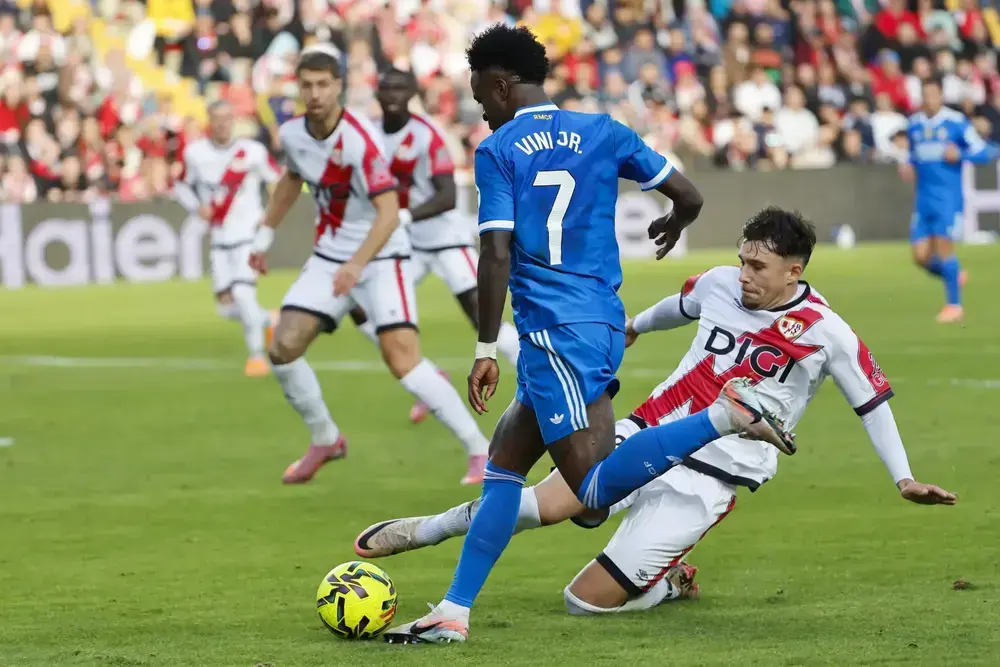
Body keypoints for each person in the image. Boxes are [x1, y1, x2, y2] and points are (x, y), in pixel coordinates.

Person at [383, 25, 794, 645]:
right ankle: (452, 611)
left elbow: (495, 253)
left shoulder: (499, 151)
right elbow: (689, 195)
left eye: (481, 97)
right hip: (600, 322)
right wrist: (673, 222)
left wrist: (485, 347)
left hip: (555, 333)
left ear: (501, 85)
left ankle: (723, 416)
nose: (482, 111)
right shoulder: (603, 130)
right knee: (504, 465)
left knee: (594, 497)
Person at [358, 207, 958, 616]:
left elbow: (872, 403)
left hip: (713, 477)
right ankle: (429, 529)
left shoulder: (827, 333)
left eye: (758, 268)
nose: (744, 275)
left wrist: (903, 477)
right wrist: (636, 326)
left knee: (583, 603)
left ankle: (668, 581)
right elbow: (680, 304)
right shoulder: (721, 284)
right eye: (743, 261)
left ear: (794, 272)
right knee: (547, 504)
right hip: (646, 430)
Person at [247, 45, 491, 486]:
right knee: (282, 348)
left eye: (323, 85)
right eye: (307, 85)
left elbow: (389, 212)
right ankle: (326, 439)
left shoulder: (361, 139)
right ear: (298, 88)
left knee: (403, 361)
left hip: (381, 256)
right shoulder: (294, 135)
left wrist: (357, 265)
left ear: (338, 86)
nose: (315, 94)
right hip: (331, 256)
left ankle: (480, 449)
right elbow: (291, 179)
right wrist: (264, 236)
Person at [349, 68, 521, 425]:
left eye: (400, 88)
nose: (393, 95)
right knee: (361, 308)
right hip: (405, 244)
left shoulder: (427, 134)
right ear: (377, 94)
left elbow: (447, 196)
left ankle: (534, 369)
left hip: (444, 240)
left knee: (480, 317)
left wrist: (403, 216)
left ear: (411, 93)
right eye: (386, 88)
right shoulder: (370, 133)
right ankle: (428, 379)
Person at [174, 101, 279, 377]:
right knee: (226, 308)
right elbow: (181, 185)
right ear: (209, 120)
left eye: (226, 118)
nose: (222, 124)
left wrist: (269, 216)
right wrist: (197, 206)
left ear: (233, 120)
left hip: (248, 236)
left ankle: (257, 357)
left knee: (244, 294)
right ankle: (269, 319)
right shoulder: (195, 153)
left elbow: (277, 181)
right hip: (219, 239)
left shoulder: (252, 151)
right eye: (216, 118)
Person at [899, 76, 996, 323]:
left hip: (947, 200)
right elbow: (913, 154)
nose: (929, 99)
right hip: (923, 200)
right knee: (920, 257)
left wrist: (960, 154)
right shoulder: (915, 125)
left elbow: (986, 152)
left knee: (944, 250)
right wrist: (908, 165)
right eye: (926, 95)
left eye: (934, 95)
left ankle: (954, 306)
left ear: (941, 96)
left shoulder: (956, 122)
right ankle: (954, 275)